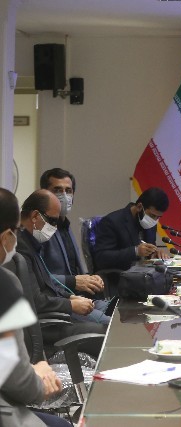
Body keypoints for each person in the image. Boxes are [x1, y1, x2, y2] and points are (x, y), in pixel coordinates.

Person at [0, 187, 72, 427]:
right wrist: (40, 376)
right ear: (6, 236)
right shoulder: (5, 285)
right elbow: (18, 381)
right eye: (16, 231)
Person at [16, 190, 108, 348]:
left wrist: (71, 297)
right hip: (47, 324)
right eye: (52, 221)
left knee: (110, 317)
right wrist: (70, 305)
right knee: (108, 330)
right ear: (35, 216)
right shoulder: (21, 249)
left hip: (55, 311)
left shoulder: (32, 244)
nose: (54, 227)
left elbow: (47, 284)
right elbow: (35, 300)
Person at [40, 168, 105, 297]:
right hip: (57, 300)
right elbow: (35, 276)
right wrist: (73, 281)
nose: (64, 195)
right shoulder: (39, 228)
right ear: (44, 193)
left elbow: (73, 270)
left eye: (68, 191)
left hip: (78, 296)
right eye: (57, 190)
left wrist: (90, 278)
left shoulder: (66, 226)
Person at [93, 187, 169, 271]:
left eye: (158, 217)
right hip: (119, 274)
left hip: (144, 272)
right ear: (139, 207)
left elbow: (149, 248)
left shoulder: (150, 222)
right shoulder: (112, 221)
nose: (154, 220)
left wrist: (155, 253)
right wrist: (135, 251)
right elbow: (101, 258)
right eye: (152, 215)